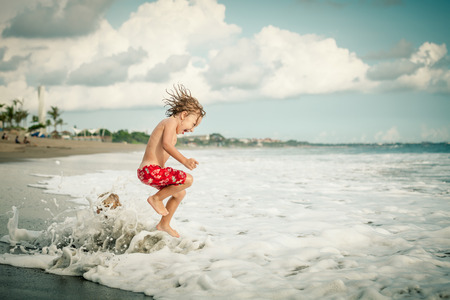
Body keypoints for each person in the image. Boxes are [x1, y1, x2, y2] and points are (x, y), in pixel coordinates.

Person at [137, 84, 205, 238]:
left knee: (180, 193)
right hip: (150, 170)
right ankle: (156, 199)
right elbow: (166, 145)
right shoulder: (170, 122)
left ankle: (164, 224)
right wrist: (184, 161)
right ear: (183, 115)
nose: (193, 129)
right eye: (193, 124)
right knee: (188, 179)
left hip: (149, 173)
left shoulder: (172, 126)